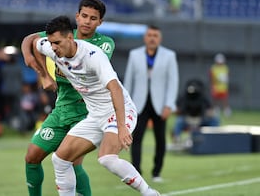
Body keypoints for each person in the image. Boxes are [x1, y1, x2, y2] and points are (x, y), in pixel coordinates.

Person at [33, 15, 160, 196]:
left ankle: (149, 193)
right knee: (60, 160)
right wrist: (43, 74)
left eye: (57, 43)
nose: (53, 47)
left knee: (107, 158)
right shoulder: (52, 48)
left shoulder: (93, 56)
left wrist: (122, 127)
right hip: (95, 116)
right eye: (51, 43)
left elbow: (115, 89)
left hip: (118, 111)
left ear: (70, 38)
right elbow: (33, 42)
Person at [21, 0, 115, 196]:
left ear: (100, 22)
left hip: (86, 112)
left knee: (71, 162)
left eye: (93, 18)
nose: (87, 21)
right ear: (77, 16)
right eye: (84, 16)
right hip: (61, 110)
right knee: (31, 157)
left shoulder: (104, 44)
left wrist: (59, 66)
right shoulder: (63, 35)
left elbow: (88, 66)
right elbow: (32, 40)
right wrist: (40, 71)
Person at [123, 25, 179, 183]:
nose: (152, 38)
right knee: (137, 138)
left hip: (160, 105)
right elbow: (128, 81)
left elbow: (172, 82)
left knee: (160, 139)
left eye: (155, 35)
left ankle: (156, 172)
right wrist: (127, 105)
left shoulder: (169, 55)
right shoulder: (134, 55)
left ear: (159, 38)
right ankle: (136, 172)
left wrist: (169, 105)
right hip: (138, 104)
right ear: (145, 37)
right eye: (149, 35)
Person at [171, 79, 220, 145]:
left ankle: (214, 140)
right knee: (179, 121)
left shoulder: (203, 97)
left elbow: (210, 109)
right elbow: (176, 109)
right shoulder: (183, 97)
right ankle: (176, 140)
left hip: (201, 119)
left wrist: (209, 113)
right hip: (187, 119)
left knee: (215, 120)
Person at [209, 53, 231, 117]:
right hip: (216, 87)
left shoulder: (225, 68)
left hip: (223, 87)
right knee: (215, 101)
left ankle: (227, 112)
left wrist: (224, 79)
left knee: (224, 100)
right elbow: (211, 78)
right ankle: (216, 111)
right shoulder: (213, 68)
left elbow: (227, 76)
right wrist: (217, 80)